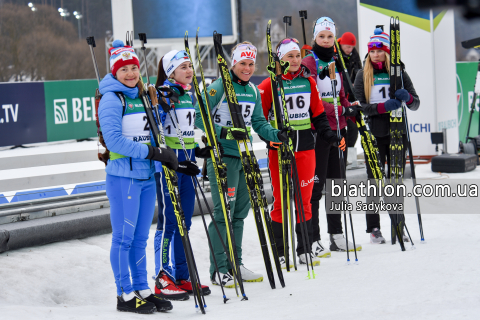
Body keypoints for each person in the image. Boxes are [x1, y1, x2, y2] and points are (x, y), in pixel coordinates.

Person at [194, 41, 288, 287]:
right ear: (233, 64)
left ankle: (236, 263)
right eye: (242, 64)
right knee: (222, 213)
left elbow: (258, 122)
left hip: (246, 157)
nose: (247, 68)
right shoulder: (219, 87)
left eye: (250, 64)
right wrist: (224, 132)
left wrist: (276, 134)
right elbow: (198, 115)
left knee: (239, 214)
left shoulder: (254, 91)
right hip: (222, 158)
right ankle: (219, 270)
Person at [99, 40, 175, 314]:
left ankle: (142, 288)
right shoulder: (112, 99)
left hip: (145, 174)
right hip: (123, 176)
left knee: (141, 237)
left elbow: (152, 129)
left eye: (134, 68)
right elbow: (114, 141)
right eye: (124, 70)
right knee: (123, 237)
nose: (131, 73)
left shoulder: (142, 95)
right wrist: (151, 152)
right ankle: (124, 294)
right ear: (114, 72)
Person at [257, 38, 341, 267]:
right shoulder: (268, 85)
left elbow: (318, 115)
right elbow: (259, 121)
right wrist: (270, 139)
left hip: (305, 147)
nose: (294, 60)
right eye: (289, 56)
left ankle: (304, 248)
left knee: (304, 201)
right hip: (280, 150)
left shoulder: (308, 82)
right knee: (280, 202)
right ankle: (280, 251)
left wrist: (330, 135)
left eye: (296, 56)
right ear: (279, 59)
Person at [152, 50, 212, 300]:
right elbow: (156, 128)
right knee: (168, 224)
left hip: (187, 166)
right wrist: (162, 104)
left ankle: (182, 276)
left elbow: (184, 132)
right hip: (168, 168)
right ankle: (163, 277)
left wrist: (197, 149)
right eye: (183, 67)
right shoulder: (164, 92)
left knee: (184, 224)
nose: (189, 70)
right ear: (170, 71)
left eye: (190, 66)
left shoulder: (187, 94)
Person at [301, 16, 362, 256]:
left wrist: (350, 106)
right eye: (321, 36)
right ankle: (314, 238)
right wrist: (341, 109)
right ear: (315, 37)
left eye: (329, 36)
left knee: (337, 185)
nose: (326, 41)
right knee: (316, 186)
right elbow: (313, 102)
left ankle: (336, 235)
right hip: (319, 132)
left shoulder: (336, 61)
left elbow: (341, 95)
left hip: (340, 131)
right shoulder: (309, 62)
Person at [353, 28, 420, 243]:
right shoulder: (362, 74)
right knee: (374, 181)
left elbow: (416, 103)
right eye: (372, 51)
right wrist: (382, 108)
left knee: (395, 180)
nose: (375, 55)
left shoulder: (399, 73)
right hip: (374, 133)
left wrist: (407, 97)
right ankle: (373, 228)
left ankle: (398, 223)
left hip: (397, 133)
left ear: (387, 52)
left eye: (379, 51)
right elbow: (359, 107)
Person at [338, 32, 363, 148]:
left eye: (352, 47)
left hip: (351, 96)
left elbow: (359, 70)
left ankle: (350, 149)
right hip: (339, 96)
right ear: (342, 44)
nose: (350, 49)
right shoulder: (335, 54)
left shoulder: (354, 55)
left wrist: (357, 83)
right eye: (347, 46)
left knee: (353, 127)